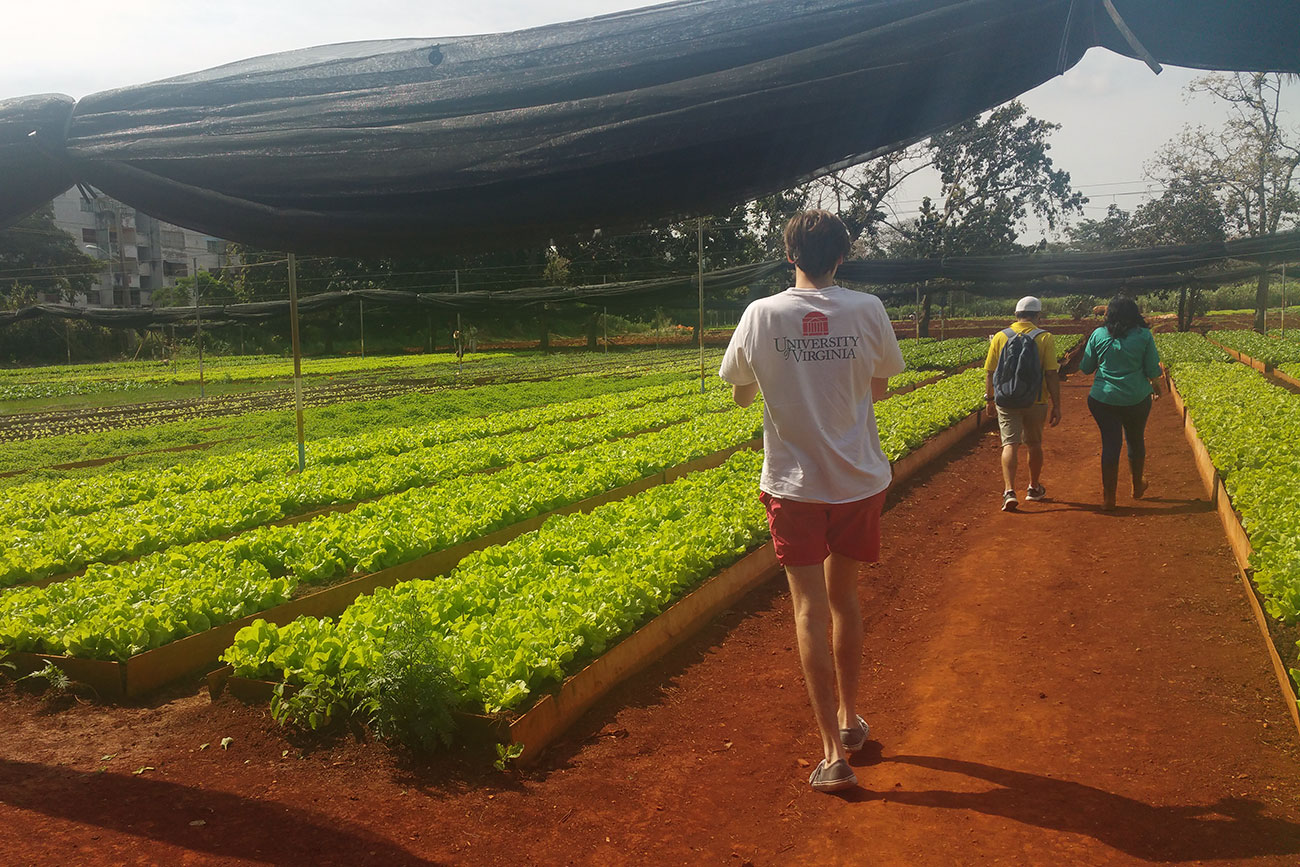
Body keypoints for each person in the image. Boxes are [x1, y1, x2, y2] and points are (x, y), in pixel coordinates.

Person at [718, 209, 905, 793]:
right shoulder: (868, 309)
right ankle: (851, 721)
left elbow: (742, 396)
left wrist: (784, 373)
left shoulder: (761, 314)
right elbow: (878, 385)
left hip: (794, 487)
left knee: (808, 609)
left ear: (789, 252)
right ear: (842, 256)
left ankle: (832, 754)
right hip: (858, 480)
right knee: (844, 598)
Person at [1078, 296, 1164, 510]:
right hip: (1137, 398)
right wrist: (1155, 385)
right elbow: (1153, 369)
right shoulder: (1144, 335)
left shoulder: (1098, 335)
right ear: (1134, 313)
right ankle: (1136, 486)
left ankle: (1109, 498)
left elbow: (1086, 367)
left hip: (1103, 399)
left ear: (1109, 314)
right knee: (1135, 440)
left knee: (1111, 444)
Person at [984, 296, 1061, 512]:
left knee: (1010, 444)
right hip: (1036, 400)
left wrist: (989, 399)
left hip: (1006, 400)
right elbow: (1051, 373)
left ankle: (1009, 491)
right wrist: (1057, 404)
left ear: (1016, 315)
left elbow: (990, 372)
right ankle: (1033, 488)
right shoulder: (1045, 338)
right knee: (1034, 444)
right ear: (1038, 315)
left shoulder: (1000, 337)